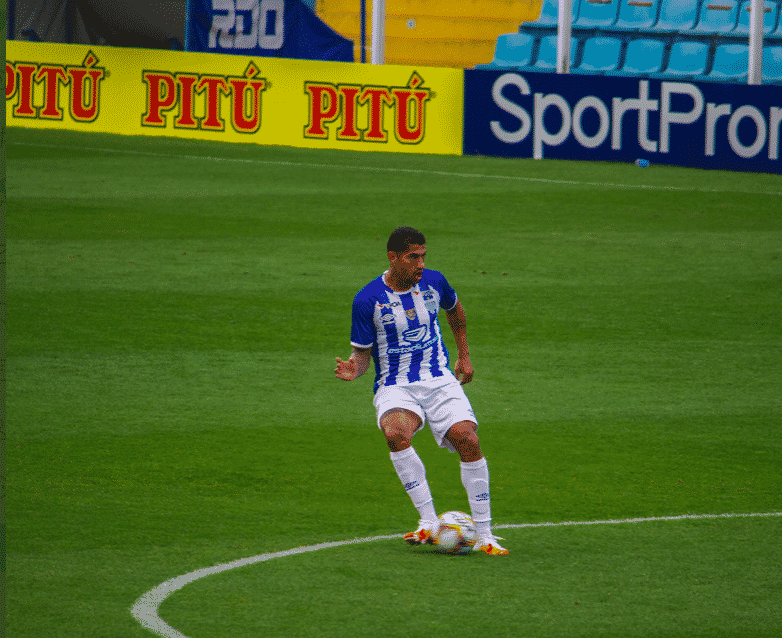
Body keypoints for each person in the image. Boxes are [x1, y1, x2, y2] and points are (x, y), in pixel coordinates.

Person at [334, 226, 508, 555]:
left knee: (467, 438)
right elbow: (362, 354)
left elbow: (454, 309)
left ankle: (485, 535)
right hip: (395, 384)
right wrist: (354, 370)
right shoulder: (368, 299)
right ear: (393, 258)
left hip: (439, 378)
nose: (420, 264)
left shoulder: (434, 282)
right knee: (396, 434)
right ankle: (428, 521)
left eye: (423, 256)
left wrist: (465, 356)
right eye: (413, 257)